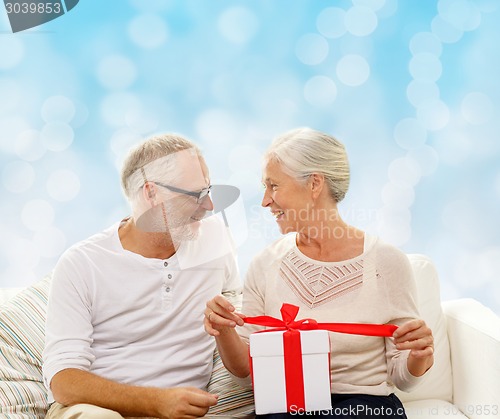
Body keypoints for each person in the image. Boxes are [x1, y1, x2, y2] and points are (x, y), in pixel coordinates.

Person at [204, 127, 434, 418]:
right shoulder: (265, 263)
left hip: (364, 407)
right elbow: (247, 374)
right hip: (289, 406)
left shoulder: (386, 263)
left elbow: (403, 377)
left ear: (314, 184)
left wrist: (418, 355)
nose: (265, 200)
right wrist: (223, 330)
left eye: (273, 186)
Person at [43, 133, 241, 419]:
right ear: (151, 193)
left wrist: (225, 324)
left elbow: (240, 336)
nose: (209, 205)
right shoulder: (82, 263)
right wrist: (156, 402)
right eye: (197, 194)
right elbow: (63, 381)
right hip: (98, 409)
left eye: (209, 190)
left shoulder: (216, 241)